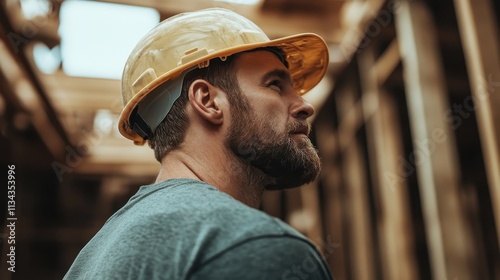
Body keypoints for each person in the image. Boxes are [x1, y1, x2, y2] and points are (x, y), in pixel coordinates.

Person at [64, 8, 333, 280]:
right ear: (207, 101)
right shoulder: (257, 247)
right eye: (275, 85)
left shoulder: (93, 257)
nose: (305, 106)